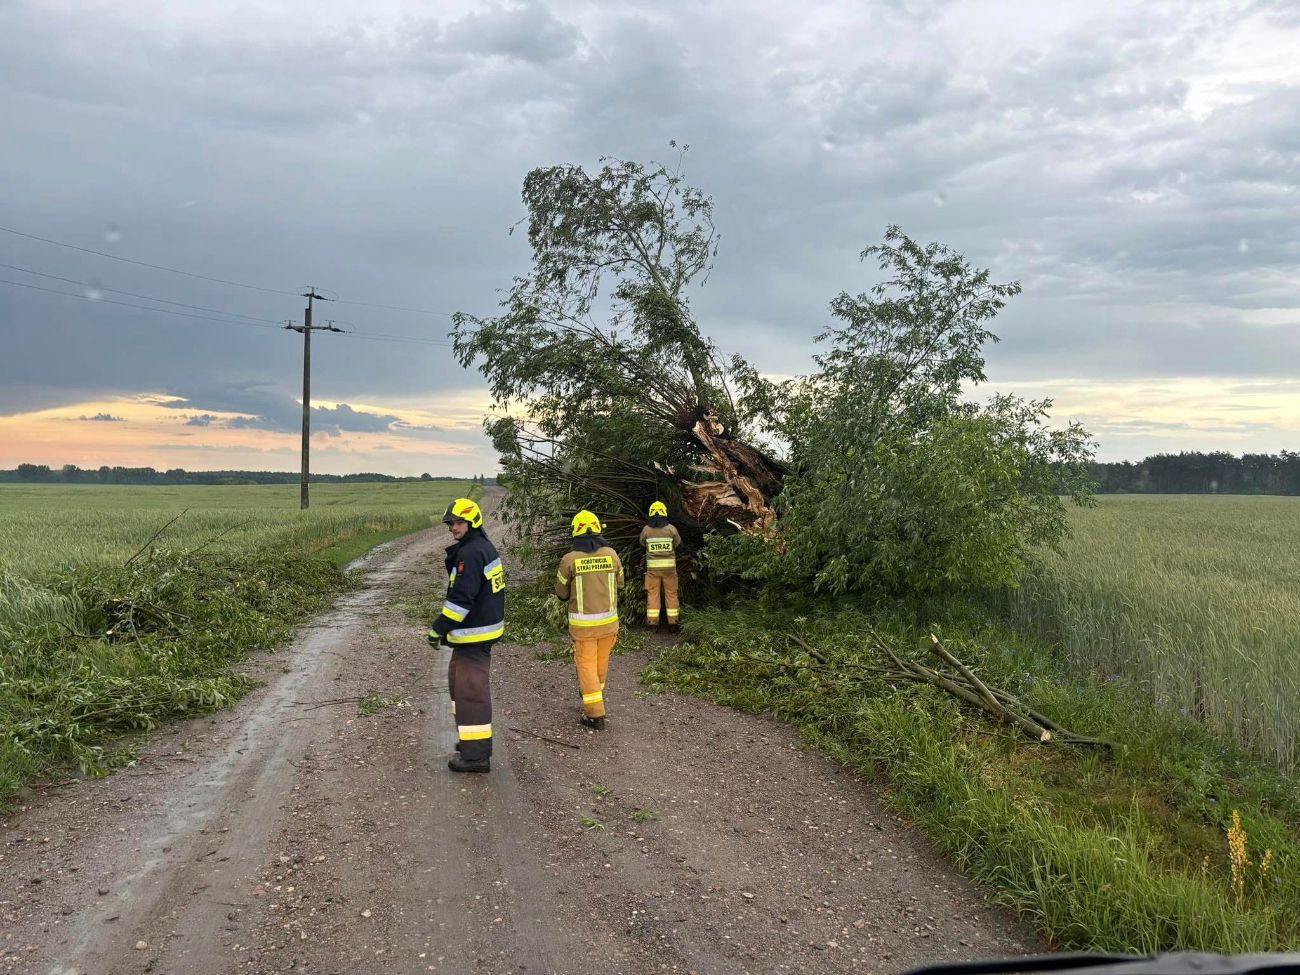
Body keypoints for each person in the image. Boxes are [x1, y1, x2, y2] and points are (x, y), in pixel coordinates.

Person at [427, 497, 506, 773]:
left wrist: (438, 628)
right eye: (451, 523)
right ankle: (471, 742)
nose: (453, 528)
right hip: (474, 635)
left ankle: (476, 757)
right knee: (459, 688)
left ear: (472, 522)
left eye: (458, 522)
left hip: (474, 636)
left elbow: (461, 600)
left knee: (471, 695)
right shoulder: (481, 546)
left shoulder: (471, 553)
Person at [554, 510, 624, 731]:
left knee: (586, 667)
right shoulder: (612, 555)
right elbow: (620, 583)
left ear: (575, 533)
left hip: (584, 628)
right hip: (609, 625)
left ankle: (595, 715)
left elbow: (561, 593)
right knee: (600, 665)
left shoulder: (570, 559)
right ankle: (593, 695)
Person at [639, 500, 683, 633]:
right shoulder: (671, 529)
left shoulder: (646, 530)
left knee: (653, 595)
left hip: (653, 570)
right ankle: (673, 623)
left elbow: (642, 543)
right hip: (670, 570)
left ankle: (653, 624)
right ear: (664, 513)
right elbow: (678, 543)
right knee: (671, 594)